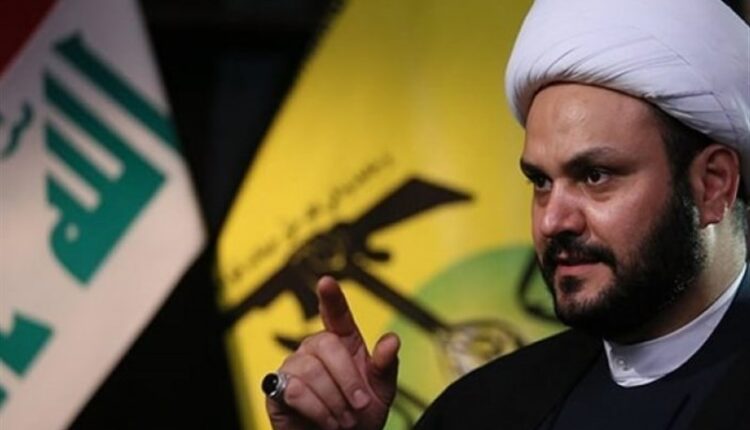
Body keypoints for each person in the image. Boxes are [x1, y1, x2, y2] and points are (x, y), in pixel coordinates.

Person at [262, 0, 750, 428]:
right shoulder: (483, 409)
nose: (553, 221)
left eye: (595, 176)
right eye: (540, 182)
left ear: (713, 185)